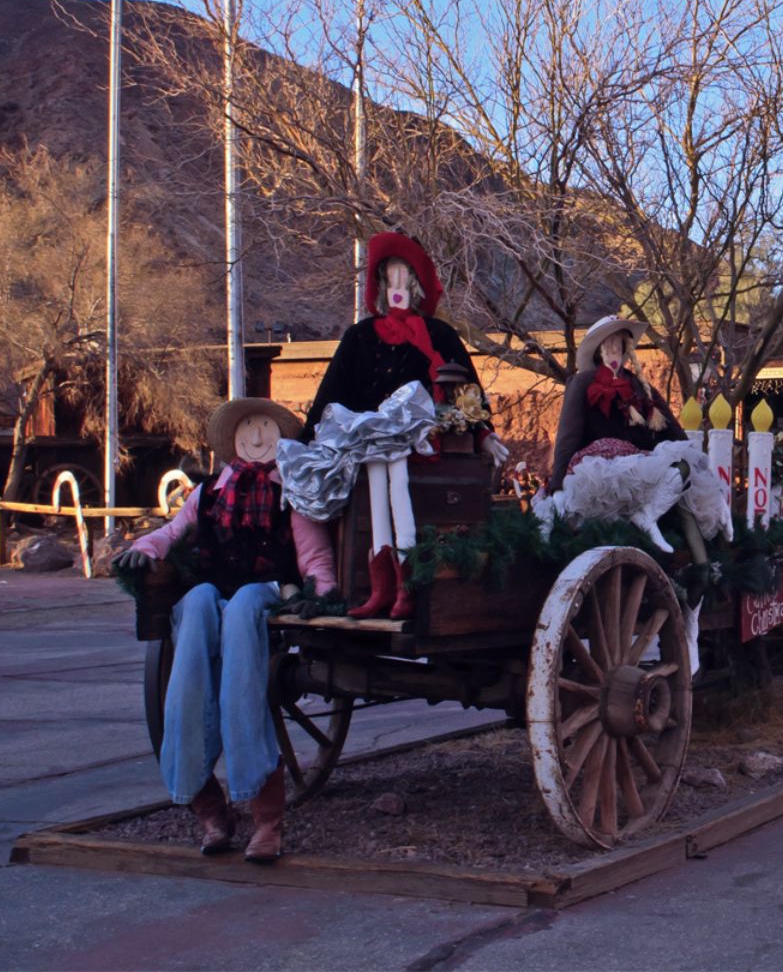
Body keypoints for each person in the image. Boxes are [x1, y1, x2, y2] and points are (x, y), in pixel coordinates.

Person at [112, 399, 337, 864]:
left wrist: (321, 593)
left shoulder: (291, 492)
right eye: (247, 430)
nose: (257, 438)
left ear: (282, 438)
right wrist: (144, 549)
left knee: (242, 620)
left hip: (265, 592)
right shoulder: (210, 490)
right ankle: (208, 807)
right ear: (232, 440)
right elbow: (173, 533)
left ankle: (267, 817)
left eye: (266, 429)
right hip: (214, 591)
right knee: (193, 611)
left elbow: (314, 556)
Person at [279, 232, 511, 621]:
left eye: (406, 279)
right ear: (381, 286)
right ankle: (380, 585)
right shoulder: (358, 337)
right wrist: (303, 446)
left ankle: (407, 584)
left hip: (418, 439)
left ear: (417, 286)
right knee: (375, 482)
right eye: (391, 279)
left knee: (399, 476)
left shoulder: (439, 336)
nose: (398, 287)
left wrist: (484, 434)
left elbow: (468, 393)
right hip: (366, 442)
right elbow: (328, 398)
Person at [547, 316, 685, 491]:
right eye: (609, 343)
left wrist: (687, 456)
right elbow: (569, 434)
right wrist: (558, 484)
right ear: (598, 350)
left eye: (619, 344)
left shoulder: (641, 387)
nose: (614, 349)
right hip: (597, 473)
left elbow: (672, 430)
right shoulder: (582, 382)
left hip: (643, 473)